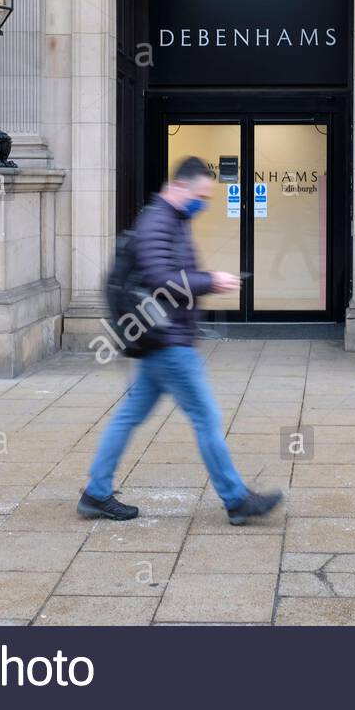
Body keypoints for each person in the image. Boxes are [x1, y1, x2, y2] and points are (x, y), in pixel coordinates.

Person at [78, 156, 283, 525]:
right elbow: (161, 279)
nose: (202, 203)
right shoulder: (158, 220)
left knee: (129, 417)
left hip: (161, 338)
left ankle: (96, 492)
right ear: (179, 187)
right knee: (206, 418)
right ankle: (236, 499)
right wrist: (210, 280)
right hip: (168, 341)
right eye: (200, 195)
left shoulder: (172, 219)